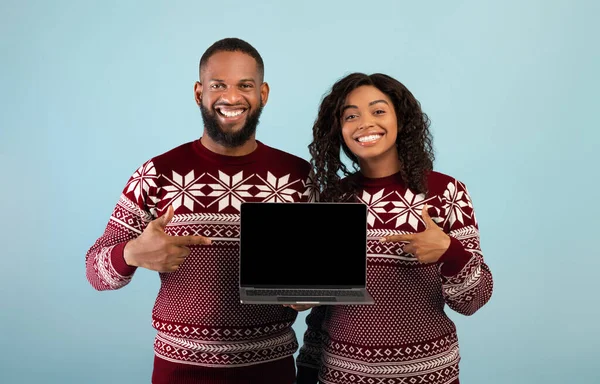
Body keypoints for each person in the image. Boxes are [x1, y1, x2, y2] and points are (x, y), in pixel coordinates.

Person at [85, 37, 317, 384]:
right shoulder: (158, 172)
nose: (232, 97)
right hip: (179, 371)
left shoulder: (298, 176)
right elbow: (95, 271)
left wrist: (306, 295)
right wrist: (131, 252)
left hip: (272, 369)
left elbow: (318, 276)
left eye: (245, 86)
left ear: (263, 94)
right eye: (218, 85)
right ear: (199, 93)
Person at [295, 73, 493, 384]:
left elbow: (474, 300)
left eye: (378, 111)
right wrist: (306, 372)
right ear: (339, 130)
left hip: (429, 375)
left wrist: (449, 252)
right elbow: (322, 312)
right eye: (351, 115)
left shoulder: (446, 192)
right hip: (342, 376)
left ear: (400, 119)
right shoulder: (334, 200)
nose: (364, 123)